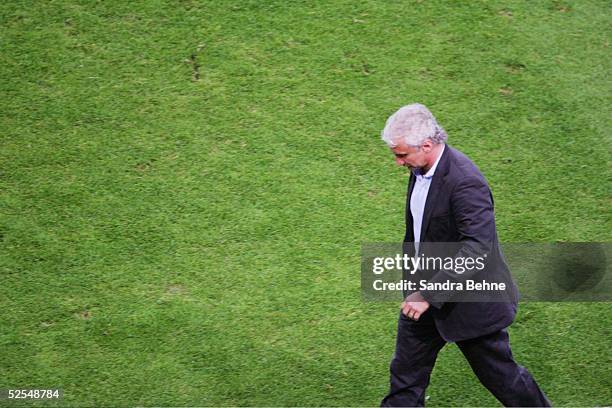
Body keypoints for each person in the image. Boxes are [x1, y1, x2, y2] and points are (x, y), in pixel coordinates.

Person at [379, 104, 551, 407]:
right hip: (422, 295)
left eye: (402, 155)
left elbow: (478, 248)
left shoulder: (464, 181)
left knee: (502, 378)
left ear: (427, 145)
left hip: (470, 303)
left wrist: (429, 293)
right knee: (405, 377)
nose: (397, 162)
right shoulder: (420, 168)